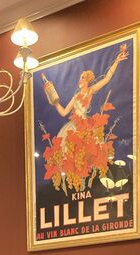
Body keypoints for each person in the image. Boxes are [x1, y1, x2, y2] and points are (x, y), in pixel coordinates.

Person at [41, 45, 129, 193]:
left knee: (90, 153)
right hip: (73, 127)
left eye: (82, 78)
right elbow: (63, 112)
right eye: (80, 77)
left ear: (87, 80)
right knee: (71, 156)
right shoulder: (75, 96)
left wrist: (117, 61)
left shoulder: (90, 91)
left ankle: (89, 183)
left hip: (85, 126)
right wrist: (54, 102)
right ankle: (77, 184)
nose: (80, 80)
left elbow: (107, 78)